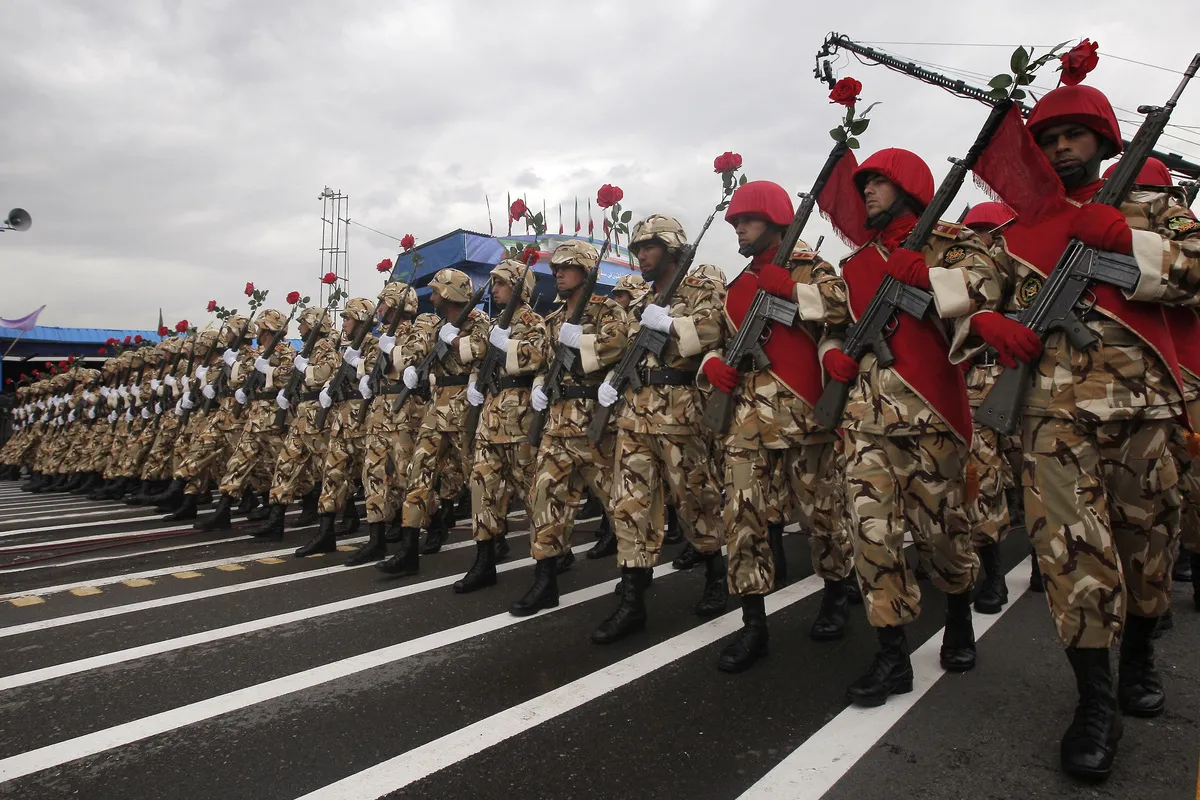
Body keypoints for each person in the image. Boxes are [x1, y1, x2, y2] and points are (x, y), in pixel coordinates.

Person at [972, 85, 1200, 780]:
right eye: (1048, 139)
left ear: (1103, 141)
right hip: (1051, 416)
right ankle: (1095, 702)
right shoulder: (1019, 229)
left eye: (1074, 135)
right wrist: (987, 322)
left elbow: (1196, 269)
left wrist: (1130, 243)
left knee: (1146, 550)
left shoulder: (1154, 207)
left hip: (1141, 410)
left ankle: (1140, 658)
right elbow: (972, 290)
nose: (1060, 147)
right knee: (1070, 555)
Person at [821, 149, 1005, 702]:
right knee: (872, 539)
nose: (867, 191)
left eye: (878, 182)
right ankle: (892, 656)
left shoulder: (953, 244)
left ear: (908, 187)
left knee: (943, 536)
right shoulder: (856, 264)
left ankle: (958, 617)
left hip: (932, 417)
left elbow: (987, 290)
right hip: (865, 422)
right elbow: (834, 325)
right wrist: (832, 353)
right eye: (865, 183)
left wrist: (928, 276)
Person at [698, 180, 854, 672]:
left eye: (747, 220)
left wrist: (792, 290)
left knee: (822, 515)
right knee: (741, 518)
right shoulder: (737, 286)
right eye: (735, 222)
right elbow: (714, 339)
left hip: (805, 416)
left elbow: (844, 311)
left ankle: (836, 593)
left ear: (775, 221)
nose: (738, 229)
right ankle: (753, 624)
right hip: (746, 420)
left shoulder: (812, 269)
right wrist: (712, 364)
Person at [591, 215, 728, 643]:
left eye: (649, 247)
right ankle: (632, 601)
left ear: (672, 250)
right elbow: (624, 352)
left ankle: (716, 574)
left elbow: (713, 332)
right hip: (635, 415)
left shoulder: (700, 289)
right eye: (637, 249)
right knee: (630, 506)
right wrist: (611, 383)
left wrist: (670, 323)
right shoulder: (642, 301)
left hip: (680, 415)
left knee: (695, 499)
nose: (641, 256)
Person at [510, 240, 629, 615]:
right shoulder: (555, 318)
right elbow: (544, 364)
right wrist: (537, 387)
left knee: (621, 506)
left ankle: (633, 580)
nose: (558, 274)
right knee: (545, 501)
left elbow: (619, 346)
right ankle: (545, 580)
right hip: (558, 424)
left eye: (566, 268)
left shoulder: (607, 310)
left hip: (597, 425)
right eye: (556, 268)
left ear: (585, 272)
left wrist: (583, 342)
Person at [376, 269, 488, 575]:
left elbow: (481, 350)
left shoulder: (477, 320)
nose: (433, 295)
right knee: (418, 474)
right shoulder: (438, 326)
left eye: (437, 290)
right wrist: (414, 368)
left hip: (465, 410)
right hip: (436, 411)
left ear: (450, 293)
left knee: (478, 480)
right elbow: (420, 353)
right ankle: (408, 550)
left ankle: (490, 548)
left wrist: (456, 341)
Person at [455, 259, 546, 591]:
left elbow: (537, 358)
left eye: (501, 283)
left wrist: (506, 345)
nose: (494, 289)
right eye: (494, 283)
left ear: (520, 289)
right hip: (490, 420)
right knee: (482, 489)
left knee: (533, 495)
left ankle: (549, 559)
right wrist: (474, 382)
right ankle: (484, 561)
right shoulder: (495, 325)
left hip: (520, 421)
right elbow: (478, 360)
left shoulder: (534, 323)